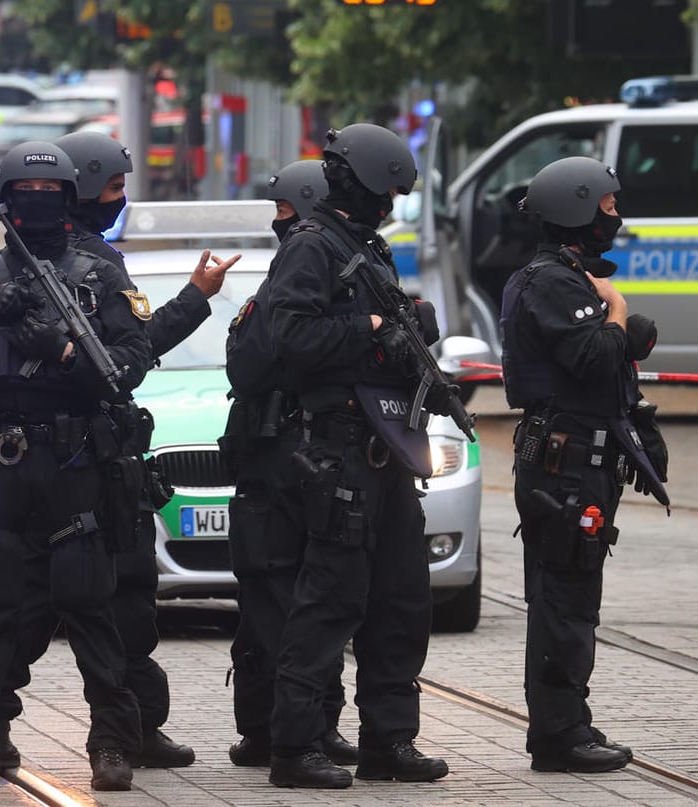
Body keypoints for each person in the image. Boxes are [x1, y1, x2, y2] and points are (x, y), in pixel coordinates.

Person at [0, 130, 237, 774]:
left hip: (97, 456)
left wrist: (194, 297)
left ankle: (126, 728)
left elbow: (130, 350)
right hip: (71, 461)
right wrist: (195, 300)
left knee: (123, 598)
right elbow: (134, 355)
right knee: (76, 600)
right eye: (115, 188)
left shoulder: (90, 257)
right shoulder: (73, 261)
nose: (120, 200)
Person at [0, 140, 150, 792]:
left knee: (87, 595)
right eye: (27, 195)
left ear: (69, 197)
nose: (38, 206)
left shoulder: (99, 271)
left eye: (51, 196)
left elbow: (131, 360)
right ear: (6, 198)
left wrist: (67, 350)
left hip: (74, 454)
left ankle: (111, 740)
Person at [263, 124, 450, 789]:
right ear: (360, 184)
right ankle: (295, 747)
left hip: (385, 449)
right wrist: (371, 328)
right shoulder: (312, 249)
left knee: (401, 600)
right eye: (388, 192)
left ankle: (388, 740)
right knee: (328, 602)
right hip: (336, 449)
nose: (392, 205)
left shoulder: (367, 250)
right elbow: (289, 335)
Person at [503, 155, 669, 773]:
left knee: (572, 596)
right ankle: (557, 736)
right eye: (607, 206)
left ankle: (569, 724)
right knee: (563, 600)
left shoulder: (567, 276)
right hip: (564, 465)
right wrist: (619, 312)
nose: (616, 217)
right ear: (577, 208)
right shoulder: (552, 281)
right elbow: (596, 356)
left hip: (576, 459)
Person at [221, 158, 360, 773]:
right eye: (277, 216)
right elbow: (252, 368)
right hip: (275, 464)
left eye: (286, 213)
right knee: (276, 606)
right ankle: (270, 732)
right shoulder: (283, 290)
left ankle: (313, 726)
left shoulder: (330, 279)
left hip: (306, 463)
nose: (280, 226)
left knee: (313, 603)